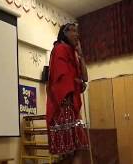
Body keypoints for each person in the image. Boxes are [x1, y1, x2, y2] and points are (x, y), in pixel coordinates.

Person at [46, 23, 89, 164]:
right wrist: (77, 83)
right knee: (70, 151)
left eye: (78, 31)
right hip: (64, 105)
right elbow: (62, 79)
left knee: (77, 148)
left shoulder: (73, 52)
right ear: (65, 33)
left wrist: (81, 55)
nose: (77, 34)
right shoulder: (59, 49)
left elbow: (85, 78)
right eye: (74, 31)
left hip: (73, 105)